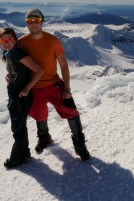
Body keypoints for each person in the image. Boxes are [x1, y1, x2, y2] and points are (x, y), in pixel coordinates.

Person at [19, 9, 90, 161]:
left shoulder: (53, 41)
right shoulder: (21, 43)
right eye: (30, 21)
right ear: (26, 23)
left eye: (36, 20)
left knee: (71, 110)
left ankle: (80, 145)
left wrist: (67, 88)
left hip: (53, 83)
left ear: (42, 21)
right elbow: (15, 65)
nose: (33, 24)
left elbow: (63, 65)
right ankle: (44, 137)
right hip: (34, 87)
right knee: (39, 112)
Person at [0, 27, 44, 169]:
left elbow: (39, 70)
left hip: (20, 95)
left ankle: (17, 158)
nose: (6, 42)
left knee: (17, 127)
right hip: (14, 93)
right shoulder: (9, 53)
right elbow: (18, 71)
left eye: (9, 39)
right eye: (3, 40)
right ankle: (24, 153)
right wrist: (10, 76)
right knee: (19, 126)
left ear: (15, 40)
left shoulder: (19, 53)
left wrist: (27, 88)